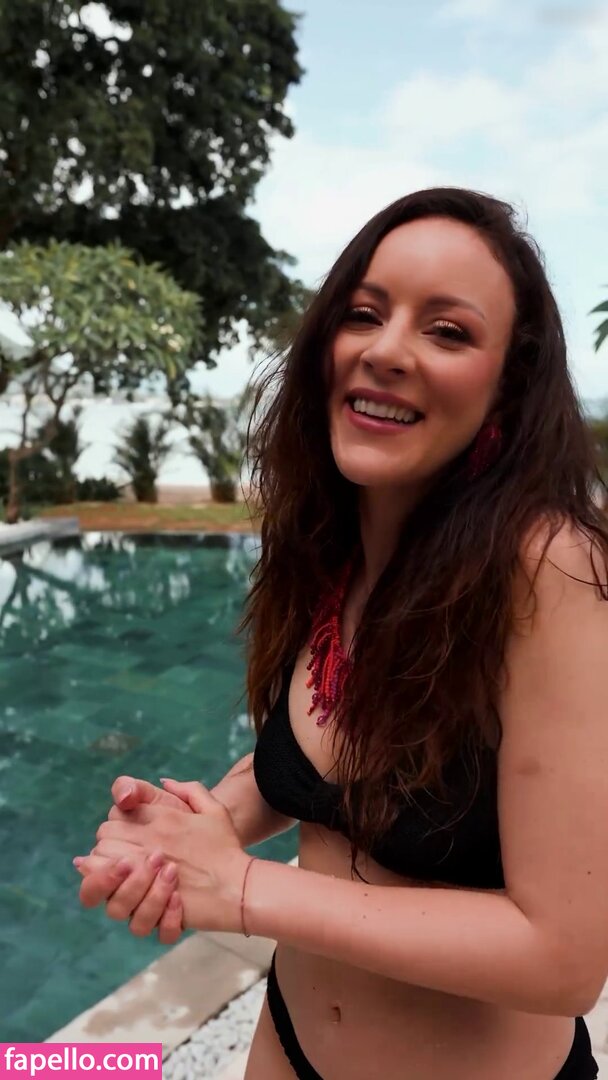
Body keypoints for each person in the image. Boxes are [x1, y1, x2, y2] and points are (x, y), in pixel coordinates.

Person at [74, 187, 608, 1080]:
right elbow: (312, 770)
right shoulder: (335, 546)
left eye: (447, 331)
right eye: (363, 313)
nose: (385, 350)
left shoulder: (549, 570)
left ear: (507, 386)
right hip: (286, 1042)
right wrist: (185, 836)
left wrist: (241, 887)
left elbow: (563, 959)